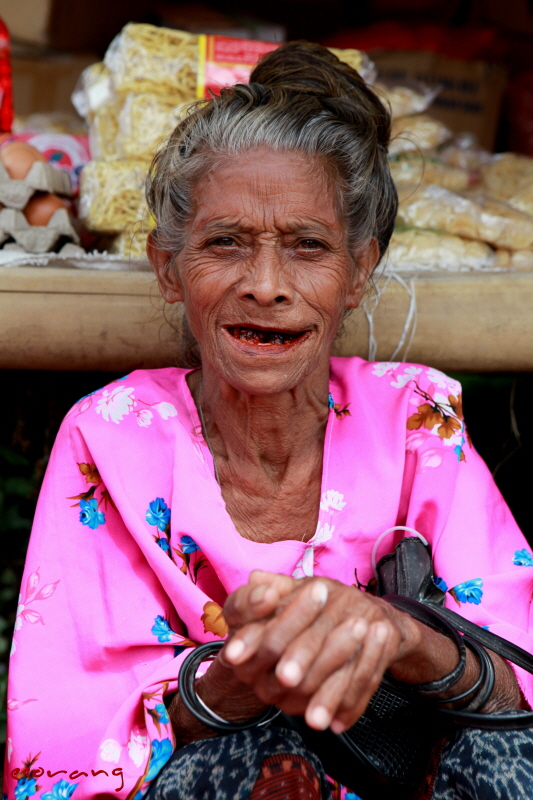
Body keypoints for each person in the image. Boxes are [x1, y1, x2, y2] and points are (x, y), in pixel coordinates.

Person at [6, 42, 533, 800]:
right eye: (225, 243)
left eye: (307, 248)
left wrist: (398, 635)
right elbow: (64, 748)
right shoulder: (112, 437)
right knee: (244, 762)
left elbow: (515, 689)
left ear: (357, 273)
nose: (265, 286)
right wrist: (237, 681)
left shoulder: (413, 419)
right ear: (167, 267)